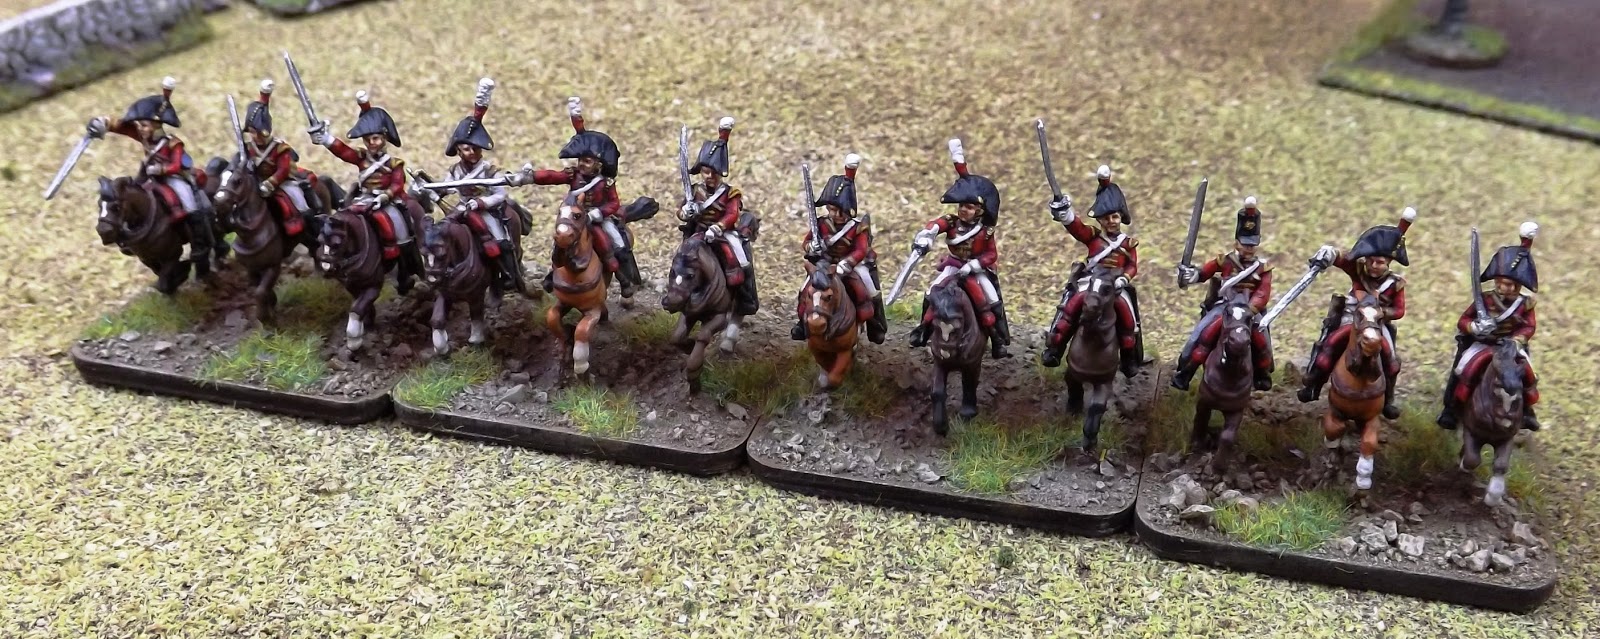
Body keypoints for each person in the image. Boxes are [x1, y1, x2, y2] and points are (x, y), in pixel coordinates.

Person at [508, 97, 640, 297]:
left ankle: (624, 280)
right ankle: (554, 273)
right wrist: (531, 176)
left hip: (597, 218)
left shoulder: (605, 183)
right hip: (575, 216)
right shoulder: (573, 175)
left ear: (599, 165)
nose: (582, 165)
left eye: (587, 161)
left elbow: (614, 204)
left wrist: (597, 214)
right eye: (581, 160)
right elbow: (552, 176)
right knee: (561, 240)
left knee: (614, 244)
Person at [1296, 207, 1417, 419]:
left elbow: (1399, 311)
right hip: (1351, 318)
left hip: (1377, 323)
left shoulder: (1395, 283)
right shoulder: (1358, 269)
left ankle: (1388, 399)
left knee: (1391, 360)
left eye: (1380, 262)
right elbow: (1341, 258)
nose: (1374, 266)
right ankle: (1313, 384)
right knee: (1330, 344)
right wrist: (1329, 253)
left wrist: (1380, 313)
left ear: (1389, 263)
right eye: (1371, 260)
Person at [86, 76, 216, 263]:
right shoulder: (144, 136)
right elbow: (122, 127)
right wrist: (104, 123)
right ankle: (130, 236)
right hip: (151, 177)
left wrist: (161, 169)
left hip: (175, 178)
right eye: (140, 125)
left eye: (144, 125)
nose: (140, 129)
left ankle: (200, 244)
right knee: (131, 197)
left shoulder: (173, 143)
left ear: (156, 125)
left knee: (190, 204)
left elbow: (177, 165)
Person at [906, 139, 1012, 359]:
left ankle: (997, 339)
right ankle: (923, 330)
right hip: (953, 267)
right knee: (932, 292)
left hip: (974, 270)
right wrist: (927, 234)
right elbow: (937, 224)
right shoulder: (952, 222)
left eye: (969, 207)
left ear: (980, 211)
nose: (964, 210)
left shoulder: (985, 232)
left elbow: (991, 255)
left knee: (990, 299)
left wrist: (973, 266)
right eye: (962, 205)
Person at [424, 77, 526, 295]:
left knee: (500, 239)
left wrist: (480, 203)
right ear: (458, 150)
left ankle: (509, 274)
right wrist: (433, 191)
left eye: (475, 149)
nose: (472, 153)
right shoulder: (455, 171)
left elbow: (499, 195)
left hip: (486, 211)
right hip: (461, 209)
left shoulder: (489, 171)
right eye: (466, 149)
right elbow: (448, 187)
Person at [1040, 165, 1143, 378]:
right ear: (1100, 220)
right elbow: (1077, 228)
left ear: (1120, 217)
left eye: (1114, 217)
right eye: (1106, 218)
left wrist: (1124, 279)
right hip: (1092, 281)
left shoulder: (1128, 244)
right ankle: (1055, 348)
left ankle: (1128, 358)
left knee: (1128, 318)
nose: (1111, 222)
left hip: (1115, 285)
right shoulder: (1094, 237)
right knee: (1071, 307)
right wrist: (1066, 215)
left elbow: (1132, 265)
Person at [1437, 222, 1541, 431]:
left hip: (1510, 347)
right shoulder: (1485, 300)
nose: (1503, 288)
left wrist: (1516, 340)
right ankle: (1452, 409)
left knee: (1527, 373)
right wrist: (1474, 328)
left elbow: (1529, 327)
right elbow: (1463, 321)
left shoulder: (1525, 304)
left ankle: (1527, 412)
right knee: (1463, 368)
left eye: (1509, 284)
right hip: (1484, 343)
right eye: (1500, 282)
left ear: (1518, 285)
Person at [1171, 196, 1275, 390]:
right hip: (1225, 307)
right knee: (1202, 335)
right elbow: (1203, 273)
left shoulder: (1263, 268)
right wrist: (1190, 275)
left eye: (1252, 245)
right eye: (1245, 244)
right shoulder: (1225, 261)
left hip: (1249, 312)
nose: (1249, 249)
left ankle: (1262, 375)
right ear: (1236, 243)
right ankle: (1186, 372)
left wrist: (1250, 309)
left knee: (1262, 343)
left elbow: (1263, 292)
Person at [307, 89, 415, 269]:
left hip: (386, 200)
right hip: (363, 198)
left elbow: (397, 184)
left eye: (375, 138)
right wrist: (325, 139)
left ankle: (395, 254)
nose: (371, 143)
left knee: (392, 225)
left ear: (384, 138)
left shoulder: (394, 163)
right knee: (343, 219)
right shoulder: (361, 157)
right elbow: (343, 151)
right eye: (367, 139)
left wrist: (385, 196)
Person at [793, 153, 886, 343]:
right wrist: (812, 246)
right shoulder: (821, 224)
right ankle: (802, 324)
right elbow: (806, 242)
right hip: (825, 264)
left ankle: (875, 325)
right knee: (805, 290)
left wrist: (846, 264)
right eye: (831, 209)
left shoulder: (857, 227)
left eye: (838, 210)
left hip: (851, 265)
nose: (834, 214)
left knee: (869, 290)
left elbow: (860, 250)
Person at [678, 117, 759, 316]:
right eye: (706, 172)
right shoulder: (695, 191)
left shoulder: (730, 193)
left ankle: (745, 299)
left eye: (713, 173)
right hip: (699, 231)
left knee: (740, 260)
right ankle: (677, 291)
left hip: (722, 233)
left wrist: (718, 227)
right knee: (682, 258)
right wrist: (685, 212)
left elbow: (732, 214)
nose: (709, 176)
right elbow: (680, 210)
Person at [241, 79, 317, 237]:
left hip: (282, 184)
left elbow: (283, 170)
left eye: (256, 132)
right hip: (258, 183)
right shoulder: (249, 148)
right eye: (251, 132)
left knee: (300, 203)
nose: (254, 136)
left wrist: (270, 183)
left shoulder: (279, 148)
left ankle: (312, 233)